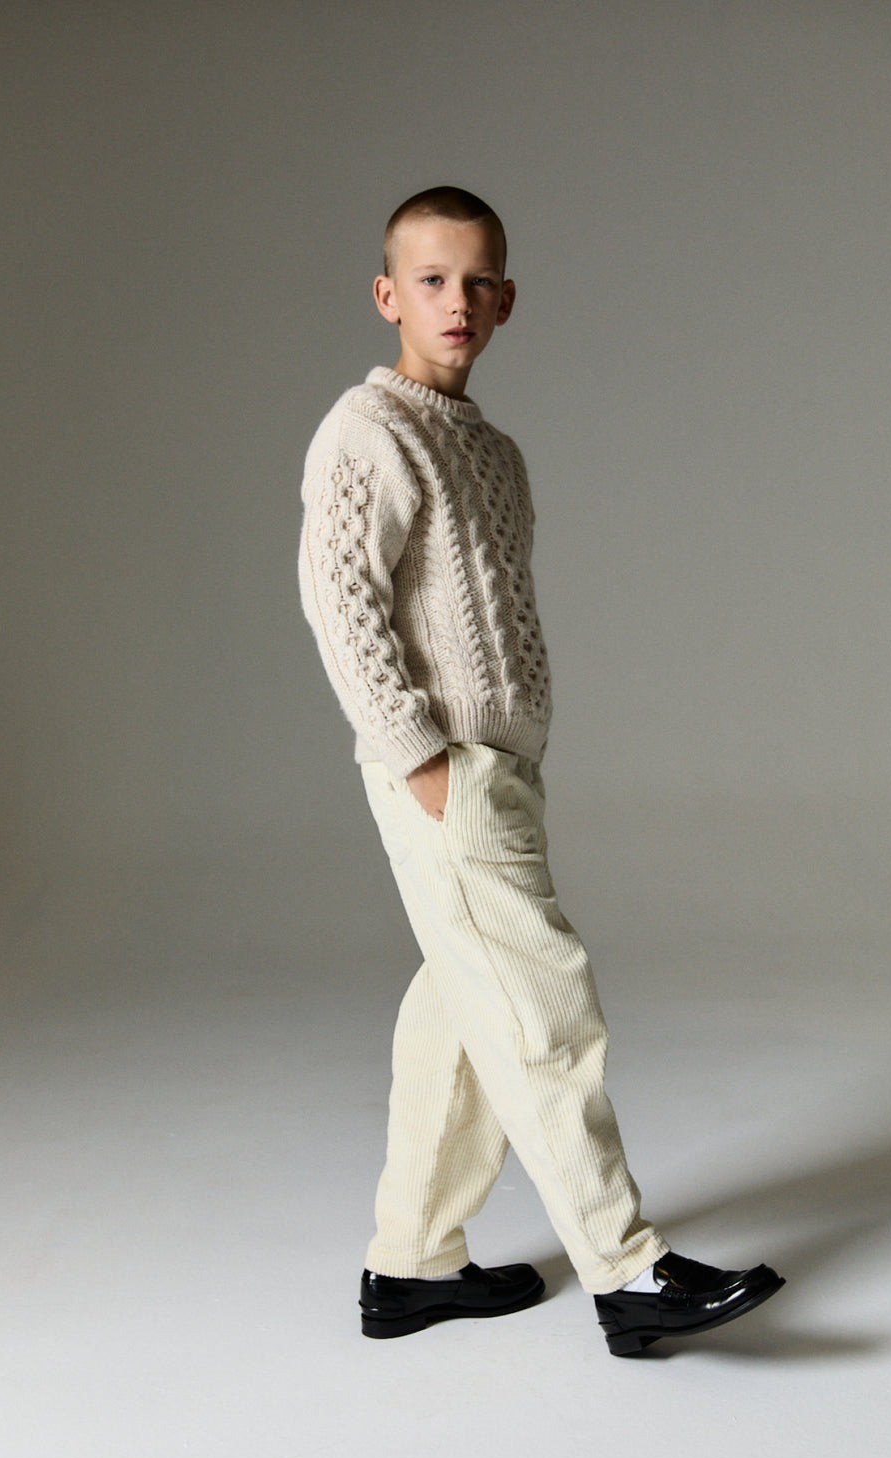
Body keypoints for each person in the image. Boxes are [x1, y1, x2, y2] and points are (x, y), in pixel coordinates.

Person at [298, 186, 784, 1356]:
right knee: (543, 1007)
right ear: (386, 295)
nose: (455, 301)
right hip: (444, 771)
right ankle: (627, 1269)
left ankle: (410, 1264)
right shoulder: (369, 429)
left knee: (463, 1015)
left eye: (477, 281)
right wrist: (419, 755)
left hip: (499, 767)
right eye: (430, 280)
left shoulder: (494, 452)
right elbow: (340, 599)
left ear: (506, 300)